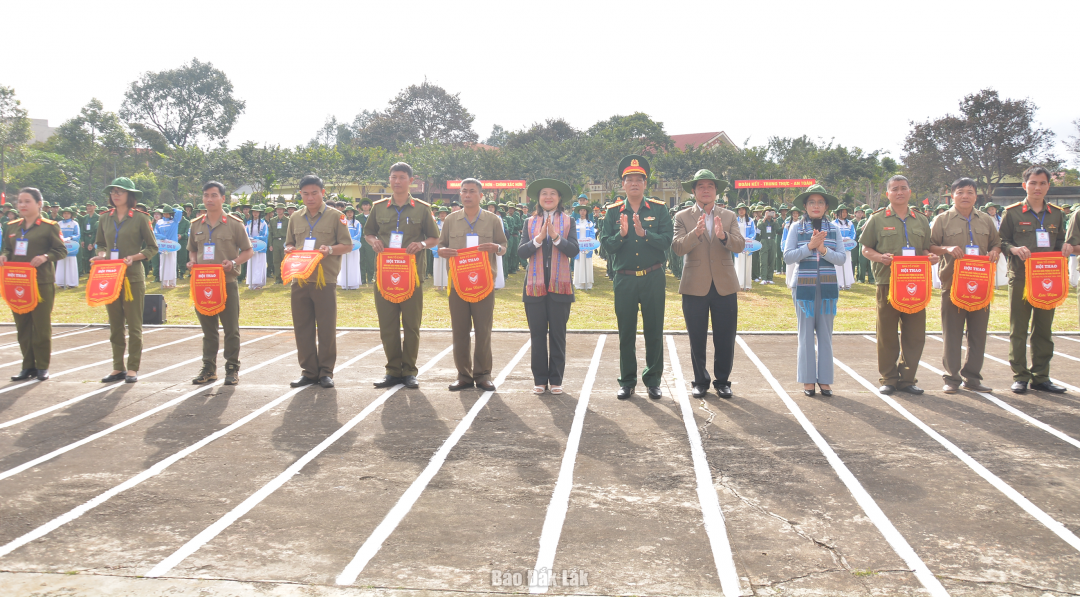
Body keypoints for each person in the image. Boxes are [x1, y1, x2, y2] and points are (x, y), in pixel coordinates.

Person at [600, 155, 673, 400]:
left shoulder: (659, 209)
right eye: (629, 180)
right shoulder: (612, 213)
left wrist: (644, 233)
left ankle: (653, 380)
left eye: (638, 179)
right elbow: (605, 248)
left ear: (645, 183)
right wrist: (621, 235)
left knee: (654, 330)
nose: (634, 184)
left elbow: (667, 242)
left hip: (653, 277)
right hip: (625, 279)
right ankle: (627, 381)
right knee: (626, 332)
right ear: (623, 184)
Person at [859, 175, 938, 395]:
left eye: (903, 188)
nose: (899, 192)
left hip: (916, 283)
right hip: (887, 282)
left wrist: (930, 256)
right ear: (888, 194)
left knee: (915, 334)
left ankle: (908, 379)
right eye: (895, 189)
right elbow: (865, 249)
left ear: (910, 192)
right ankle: (889, 378)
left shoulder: (921, 220)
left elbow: (924, 249)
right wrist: (879, 257)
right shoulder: (877, 219)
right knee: (887, 334)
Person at [998, 166, 1074, 394]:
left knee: (1043, 329)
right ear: (1024, 185)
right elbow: (1001, 242)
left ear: (1048, 186)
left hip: (1047, 279)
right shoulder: (1011, 213)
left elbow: (1059, 241)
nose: (1037, 187)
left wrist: (1066, 246)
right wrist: (1013, 248)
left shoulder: (1057, 213)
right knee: (1018, 328)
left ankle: (1041, 376)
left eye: (1042, 183)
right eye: (1033, 183)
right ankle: (1020, 376)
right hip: (1020, 277)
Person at [364, 162, 439, 389]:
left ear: (411, 180)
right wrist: (373, 241)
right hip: (385, 275)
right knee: (387, 325)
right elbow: (369, 232)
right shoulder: (378, 208)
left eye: (402, 177)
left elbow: (434, 238)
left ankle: (409, 371)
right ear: (390, 179)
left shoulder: (422, 208)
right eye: (394, 177)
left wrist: (422, 244)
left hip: (411, 276)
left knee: (411, 325)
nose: (397, 181)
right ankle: (392, 371)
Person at [671, 169, 743, 399]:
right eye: (700, 186)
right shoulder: (682, 217)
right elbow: (678, 247)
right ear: (693, 191)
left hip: (724, 284)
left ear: (716, 191)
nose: (705, 190)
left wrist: (723, 236)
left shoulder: (729, 216)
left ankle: (722, 381)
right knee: (697, 336)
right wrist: (696, 233)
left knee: (725, 335)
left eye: (710, 186)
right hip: (695, 285)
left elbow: (740, 245)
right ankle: (700, 381)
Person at [929, 177, 1001, 394]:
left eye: (969, 192)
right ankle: (951, 379)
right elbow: (930, 245)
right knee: (952, 332)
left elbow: (996, 243)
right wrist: (947, 248)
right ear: (952, 195)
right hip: (952, 284)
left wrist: (995, 251)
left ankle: (973, 378)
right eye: (960, 192)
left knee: (978, 333)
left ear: (976, 196)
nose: (965, 196)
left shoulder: (986, 220)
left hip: (980, 284)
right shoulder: (942, 219)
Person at [437, 178, 508, 392]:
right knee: (459, 330)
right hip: (458, 283)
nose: (467, 195)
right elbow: (440, 246)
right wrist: (441, 252)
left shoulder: (492, 220)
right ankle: (463, 375)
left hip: (484, 283)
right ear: (460, 194)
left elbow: (504, 246)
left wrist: (496, 247)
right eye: (464, 191)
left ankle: (483, 374)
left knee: (483, 329)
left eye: (472, 192)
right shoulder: (450, 220)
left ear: (480, 195)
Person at [283, 175, 353, 389]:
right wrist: (288, 249)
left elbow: (347, 245)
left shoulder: (336, 216)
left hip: (325, 280)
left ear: (323, 193)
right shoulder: (295, 217)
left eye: (314, 193)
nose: (310, 197)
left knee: (326, 327)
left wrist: (330, 250)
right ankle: (309, 371)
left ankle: (325, 372)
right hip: (300, 279)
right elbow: (289, 243)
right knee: (302, 327)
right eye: (305, 193)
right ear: (300, 195)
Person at [187, 182, 254, 385]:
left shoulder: (234, 223)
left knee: (231, 328)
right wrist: (192, 261)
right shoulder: (196, 224)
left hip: (226, 282)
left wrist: (233, 263)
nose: (209, 199)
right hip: (202, 284)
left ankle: (232, 367)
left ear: (223, 199)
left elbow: (248, 251)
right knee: (208, 330)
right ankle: (208, 368)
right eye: (206, 195)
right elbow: (191, 249)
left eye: (214, 195)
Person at [93, 177, 159, 383]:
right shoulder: (104, 218)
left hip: (132, 277)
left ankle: (132, 368)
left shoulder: (140, 218)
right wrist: (101, 254)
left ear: (130, 195)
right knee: (115, 324)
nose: (115, 195)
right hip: (110, 276)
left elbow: (152, 247)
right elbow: (100, 243)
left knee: (134, 323)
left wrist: (135, 257)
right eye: (112, 191)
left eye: (119, 191)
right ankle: (117, 367)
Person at [784, 185, 847, 396]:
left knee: (825, 335)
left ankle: (825, 380)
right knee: (805, 334)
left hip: (827, 287)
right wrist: (809, 247)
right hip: (803, 288)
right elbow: (788, 257)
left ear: (827, 206)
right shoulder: (795, 228)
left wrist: (823, 249)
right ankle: (808, 380)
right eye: (812, 202)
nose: (816, 206)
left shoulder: (835, 228)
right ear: (805, 206)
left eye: (821, 202)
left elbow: (841, 258)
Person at [518, 179, 579, 395]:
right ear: (538, 198)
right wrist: (538, 239)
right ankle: (539, 379)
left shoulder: (569, 221)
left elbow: (573, 251)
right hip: (534, 288)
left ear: (559, 198)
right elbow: (521, 253)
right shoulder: (529, 222)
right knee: (537, 335)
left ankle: (556, 379)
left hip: (560, 288)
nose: (548, 197)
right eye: (544, 193)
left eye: (553, 193)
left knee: (558, 335)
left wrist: (554, 237)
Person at [1, 188, 68, 381]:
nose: (22, 205)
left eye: (27, 201)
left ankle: (41, 366)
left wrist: (46, 257)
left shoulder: (49, 226)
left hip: (41, 282)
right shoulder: (12, 226)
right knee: (22, 325)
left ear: (39, 203)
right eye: (20, 201)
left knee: (40, 324)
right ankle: (27, 365)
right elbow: (7, 247)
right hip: (17, 281)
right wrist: (4, 255)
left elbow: (61, 250)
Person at [154, 205, 183, 288]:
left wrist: (171, 209)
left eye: (168, 213)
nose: (166, 215)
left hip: (172, 245)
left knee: (172, 263)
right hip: (163, 245)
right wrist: (162, 238)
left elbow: (179, 212)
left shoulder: (174, 221)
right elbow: (156, 233)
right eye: (165, 213)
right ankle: (164, 282)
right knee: (163, 262)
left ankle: (172, 283)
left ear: (171, 214)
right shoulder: (159, 222)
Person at [338, 204, 362, 290]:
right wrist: (346, 241)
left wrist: (351, 241)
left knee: (354, 263)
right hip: (344, 246)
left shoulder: (357, 223)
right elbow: (340, 233)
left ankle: (354, 284)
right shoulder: (343, 222)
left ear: (353, 213)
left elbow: (359, 234)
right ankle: (344, 283)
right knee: (344, 264)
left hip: (354, 246)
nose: (349, 214)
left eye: (351, 212)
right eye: (348, 212)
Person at [244, 204, 268, 289]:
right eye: (254, 212)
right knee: (251, 263)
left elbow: (265, 235)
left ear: (259, 213)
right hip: (251, 246)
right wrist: (250, 239)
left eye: (257, 212)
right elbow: (245, 233)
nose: (255, 213)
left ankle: (258, 283)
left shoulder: (263, 223)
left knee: (259, 264)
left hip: (260, 247)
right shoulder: (249, 223)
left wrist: (255, 238)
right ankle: (251, 282)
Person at [55, 206, 80, 289]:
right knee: (61, 263)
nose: (66, 215)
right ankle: (61, 282)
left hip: (71, 246)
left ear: (71, 214)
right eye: (65, 213)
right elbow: (56, 233)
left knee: (71, 263)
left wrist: (70, 238)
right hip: (61, 246)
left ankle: (72, 282)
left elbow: (77, 235)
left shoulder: (74, 223)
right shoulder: (59, 223)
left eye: (68, 213)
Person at [833, 204, 856, 290]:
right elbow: (833, 234)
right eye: (842, 212)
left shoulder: (850, 223)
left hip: (847, 247)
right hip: (837, 247)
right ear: (838, 213)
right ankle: (838, 283)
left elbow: (853, 233)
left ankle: (847, 282)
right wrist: (840, 239)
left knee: (847, 263)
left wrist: (848, 239)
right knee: (838, 265)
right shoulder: (834, 223)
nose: (844, 214)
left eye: (846, 212)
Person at [573, 204, 595, 290]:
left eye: (584, 210)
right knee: (579, 262)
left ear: (586, 212)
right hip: (578, 246)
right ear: (579, 212)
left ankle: (587, 283)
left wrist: (588, 241)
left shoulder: (590, 223)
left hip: (587, 246)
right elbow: (573, 235)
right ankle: (579, 283)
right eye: (581, 210)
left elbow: (592, 235)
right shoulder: (575, 223)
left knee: (587, 262)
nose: (582, 212)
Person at [734, 203, 756, 291]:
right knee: (738, 263)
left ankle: (747, 285)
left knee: (747, 264)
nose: (741, 211)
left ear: (746, 210)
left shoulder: (750, 220)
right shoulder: (735, 220)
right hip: (738, 244)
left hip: (747, 245)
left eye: (743, 209)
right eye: (739, 209)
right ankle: (738, 284)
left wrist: (747, 239)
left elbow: (753, 232)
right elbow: (733, 232)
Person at [757, 207, 780, 284]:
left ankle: (770, 278)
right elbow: (759, 227)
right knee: (763, 260)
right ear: (764, 213)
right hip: (764, 240)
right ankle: (764, 278)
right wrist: (765, 218)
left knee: (772, 259)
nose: (769, 214)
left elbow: (777, 228)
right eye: (768, 212)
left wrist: (774, 218)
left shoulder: (774, 222)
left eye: (771, 212)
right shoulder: (761, 220)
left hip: (772, 240)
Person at [269, 203, 289, 284]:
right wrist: (270, 244)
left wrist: (289, 243)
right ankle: (278, 278)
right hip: (275, 241)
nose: (279, 210)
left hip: (284, 241)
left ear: (284, 210)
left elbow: (290, 233)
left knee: (285, 260)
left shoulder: (288, 220)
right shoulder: (272, 220)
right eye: (277, 209)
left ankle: (286, 277)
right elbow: (270, 233)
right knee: (276, 261)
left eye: (280, 209)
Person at [357, 199, 376, 285]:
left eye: (367, 205)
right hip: (360, 239)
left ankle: (371, 278)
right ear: (361, 207)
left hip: (370, 239)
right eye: (363, 205)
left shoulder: (373, 216)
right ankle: (362, 279)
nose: (365, 206)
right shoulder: (357, 217)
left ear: (370, 206)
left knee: (370, 259)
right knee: (361, 259)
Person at [432, 206, 449, 291]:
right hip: (437, 246)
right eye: (441, 213)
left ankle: (447, 284)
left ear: (446, 214)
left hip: (446, 246)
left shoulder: (449, 223)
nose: (442, 215)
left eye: (444, 213)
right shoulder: (435, 223)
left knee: (446, 265)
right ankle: (439, 284)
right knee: (438, 265)